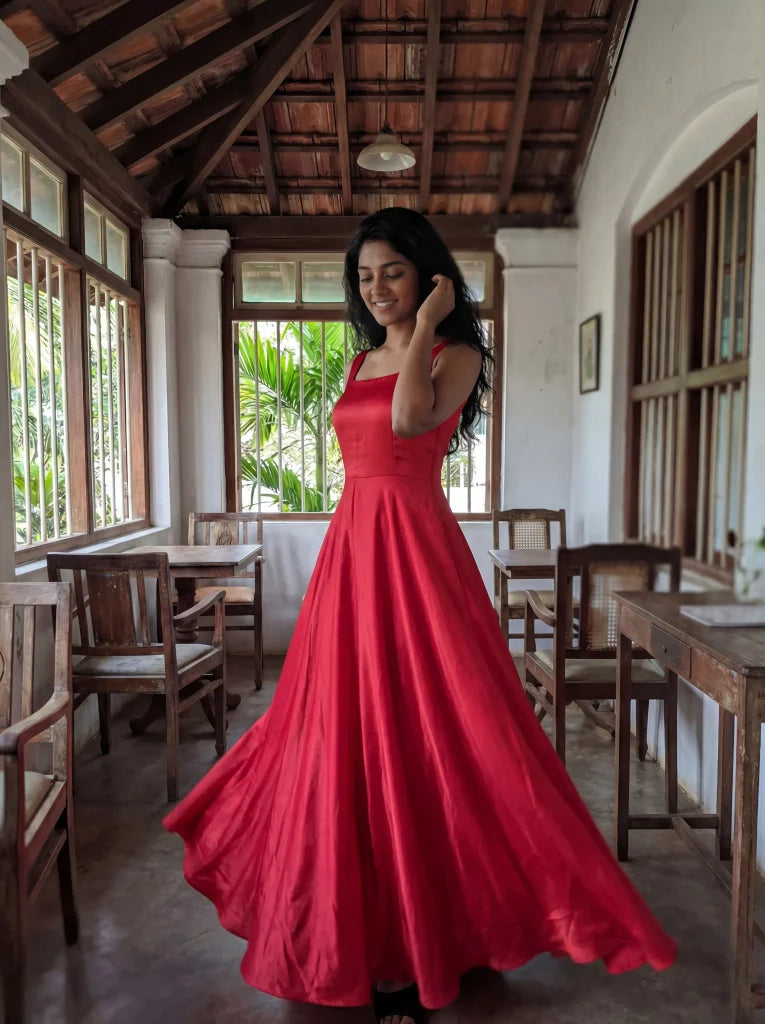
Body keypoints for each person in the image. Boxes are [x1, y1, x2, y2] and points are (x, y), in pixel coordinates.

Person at [164, 208, 676, 1024]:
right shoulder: (359, 356)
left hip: (415, 547)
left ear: (427, 274)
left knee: (436, 729)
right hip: (351, 549)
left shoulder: (455, 352)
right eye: (364, 276)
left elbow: (407, 423)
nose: (377, 289)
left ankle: (416, 947)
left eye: (392, 273)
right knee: (340, 730)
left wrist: (432, 322)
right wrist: (403, 336)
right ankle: (352, 933)